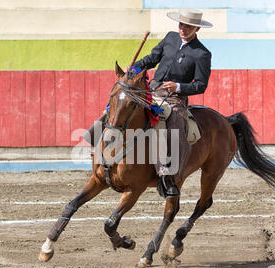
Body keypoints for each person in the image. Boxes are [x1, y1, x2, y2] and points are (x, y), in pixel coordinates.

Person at [83, 9, 213, 198]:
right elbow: (152, 59)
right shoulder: (170, 38)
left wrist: (177, 86)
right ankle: (96, 143)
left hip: (174, 98)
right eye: (181, 25)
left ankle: (169, 175)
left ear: (196, 29)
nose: (183, 29)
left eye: (188, 26)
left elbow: (201, 85)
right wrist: (135, 68)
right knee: (119, 105)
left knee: (175, 123)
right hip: (151, 90)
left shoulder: (202, 54)